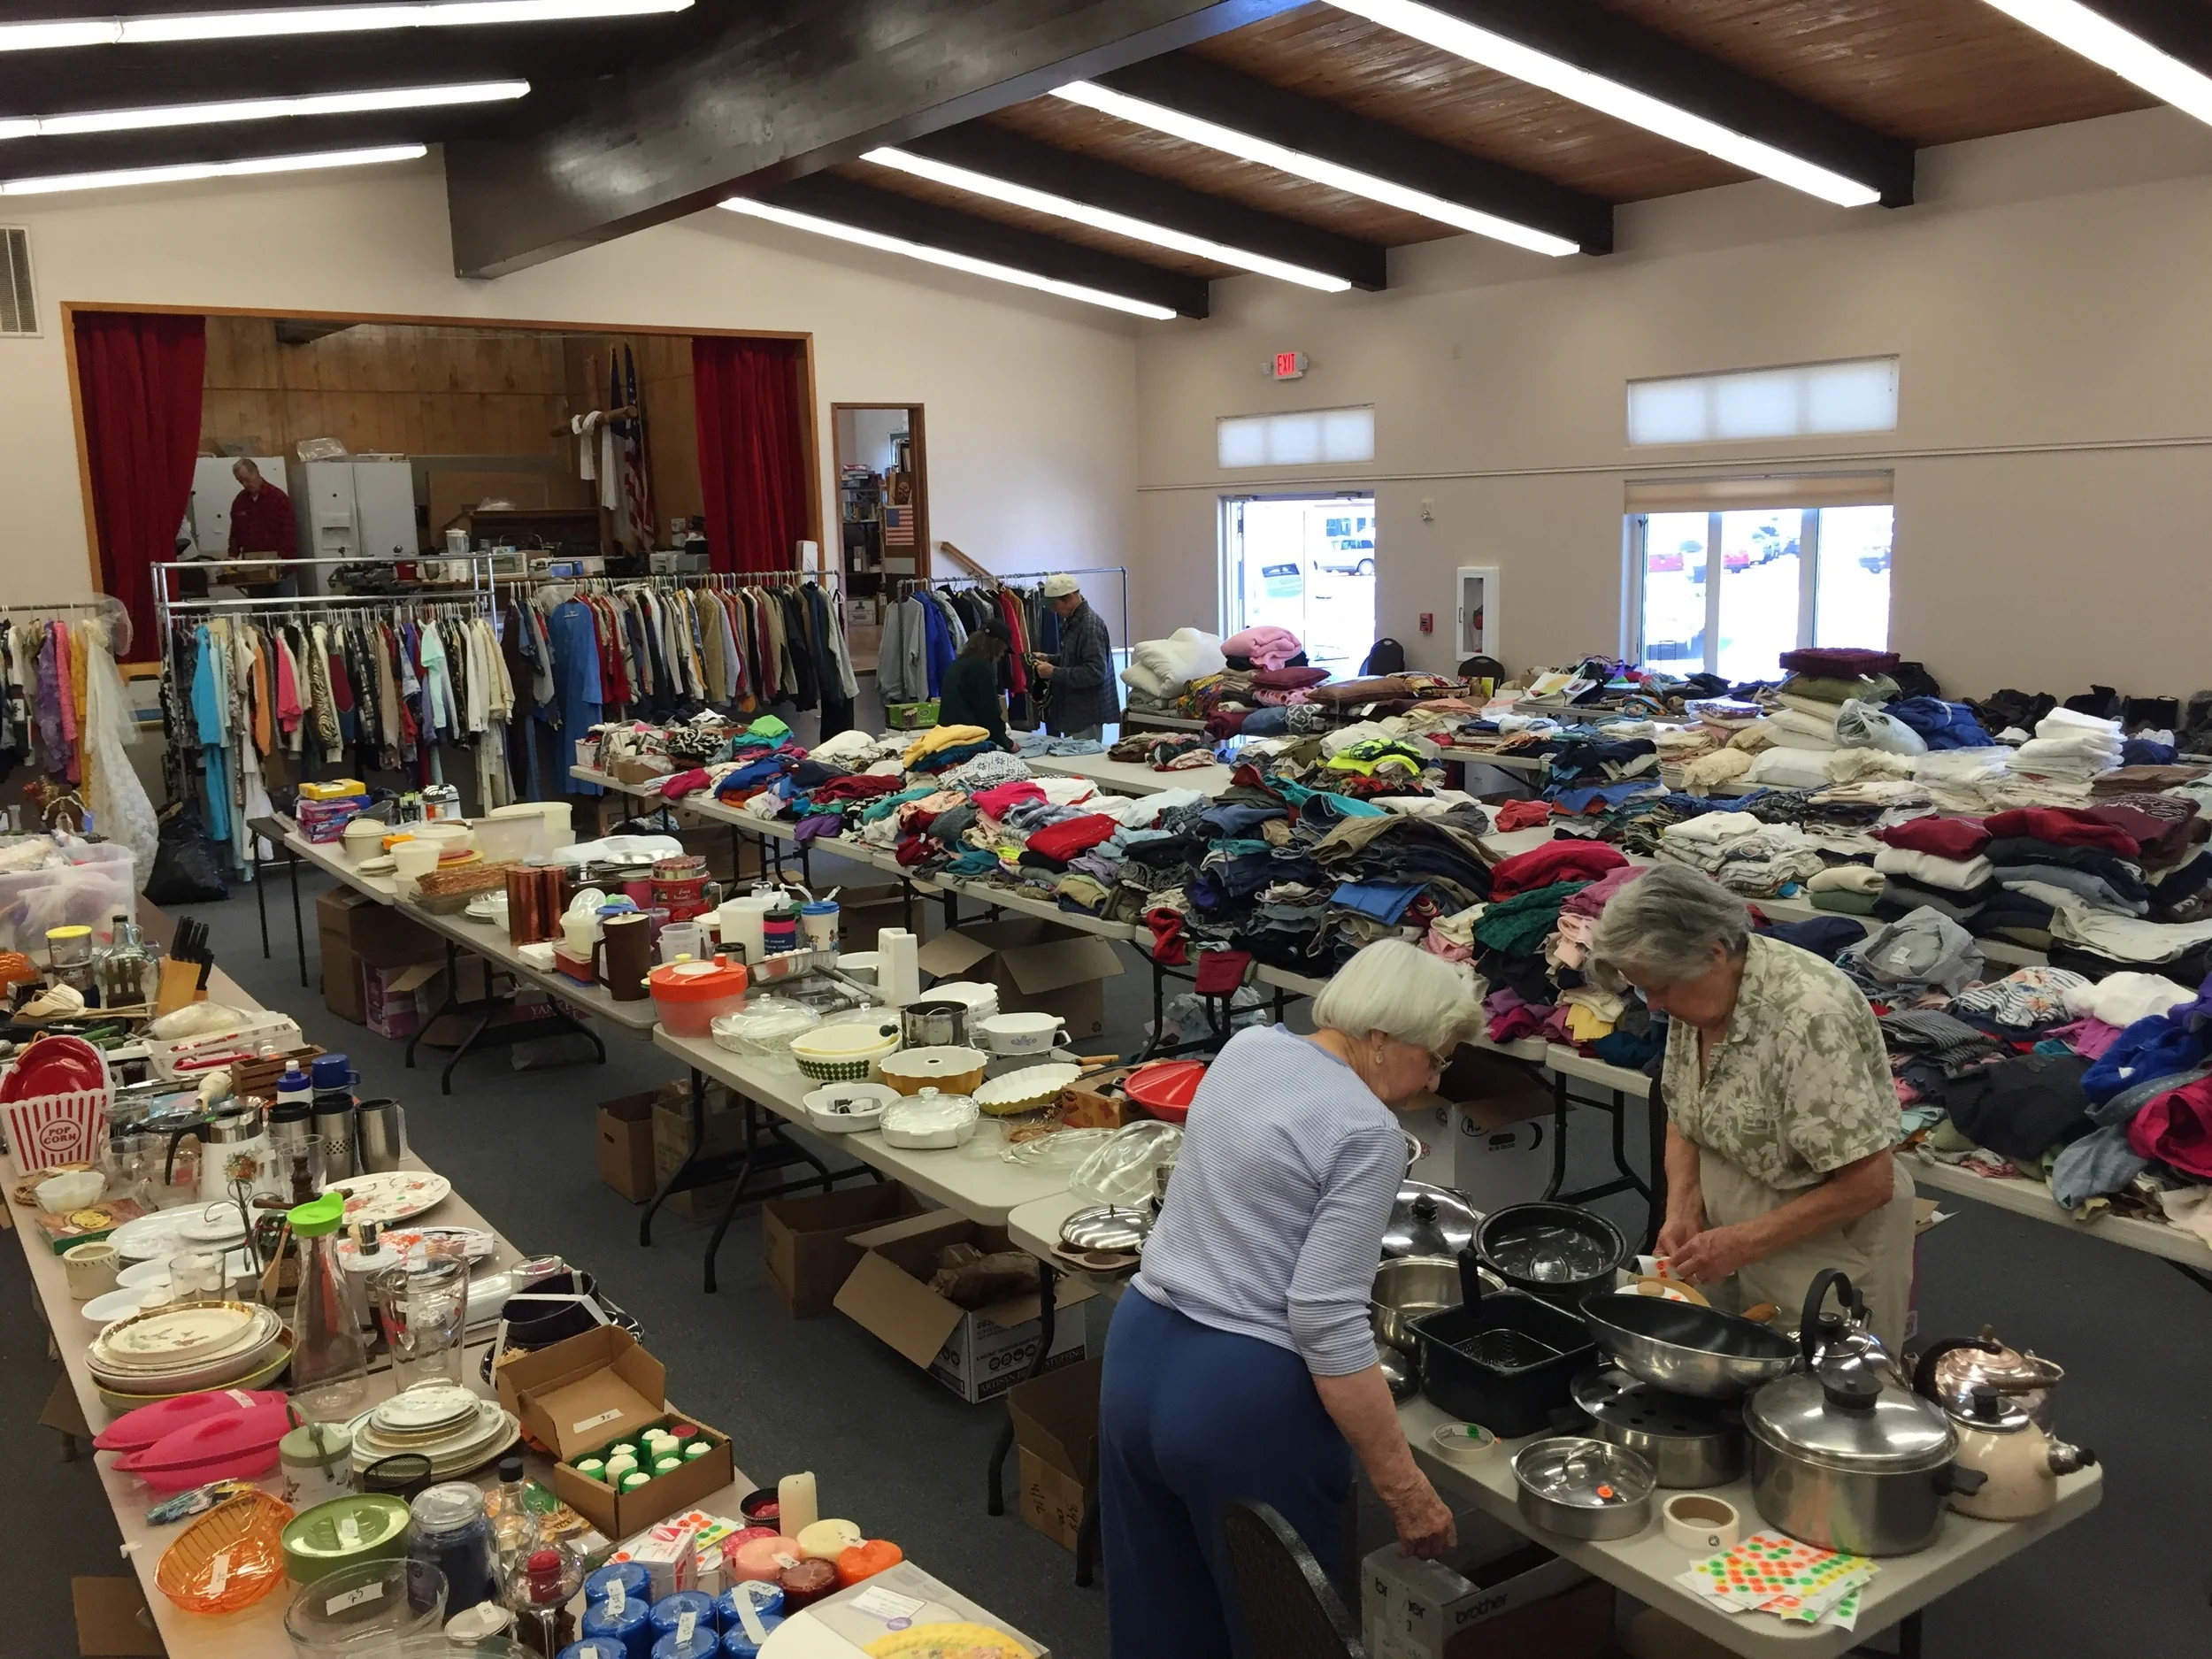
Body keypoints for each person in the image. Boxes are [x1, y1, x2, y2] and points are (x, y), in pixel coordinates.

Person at [1098, 939, 1471, 1659]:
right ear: (1381, 1038)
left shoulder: (1247, 1048)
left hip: (1139, 1350)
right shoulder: (1368, 1132)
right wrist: (1405, 1485)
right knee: (1286, 1634)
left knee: (1160, 1618)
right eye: (1436, 1056)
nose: (1435, 1079)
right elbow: (1326, 1319)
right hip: (1238, 1397)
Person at [1589, 863, 1915, 1347]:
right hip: (1731, 1218)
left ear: (1715, 952)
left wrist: (1746, 1241)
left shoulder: (1809, 1017)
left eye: (1657, 988)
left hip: (1821, 1231)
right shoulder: (1695, 990)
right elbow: (1686, 1111)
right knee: (1723, 1366)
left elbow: (1869, 1184)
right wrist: (1680, 1206)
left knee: (1813, 1386)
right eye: (1642, 988)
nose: (1651, 1005)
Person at [1028, 572, 1118, 740]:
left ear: (1069, 598)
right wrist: (1050, 658)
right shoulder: (1075, 620)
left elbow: (1095, 672)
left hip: (1085, 714)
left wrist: (1054, 672)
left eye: (1054, 604)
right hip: (1075, 712)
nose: (1052, 610)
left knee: (1085, 764)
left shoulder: (1089, 625)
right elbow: (1076, 658)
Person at [936, 623, 1012, 750]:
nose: (1003, 655)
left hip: (948, 737)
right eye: (1004, 649)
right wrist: (1006, 742)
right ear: (997, 644)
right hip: (968, 739)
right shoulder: (981, 668)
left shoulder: (957, 664)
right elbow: (988, 712)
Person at [226, 458, 297, 593]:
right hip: (254, 568)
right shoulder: (240, 502)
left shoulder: (278, 498)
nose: (245, 484)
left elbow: (289, 531)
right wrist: (232, 556)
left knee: (285, 610)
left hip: (282, 566)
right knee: (260, 610)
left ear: (256, 473)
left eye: (247, 479)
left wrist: (278, 557)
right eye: (241, 481)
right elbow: (235, 533)